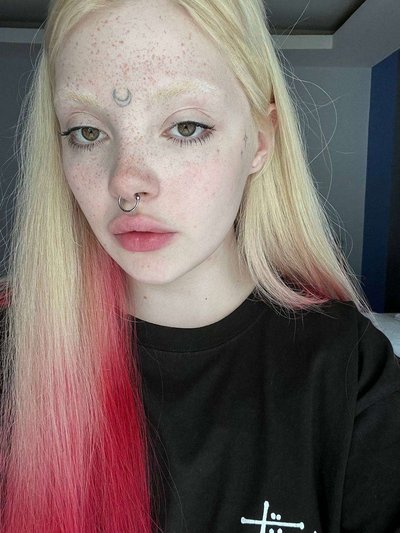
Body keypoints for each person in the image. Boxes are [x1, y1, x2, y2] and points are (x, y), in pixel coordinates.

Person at [0, 0, 399, 531]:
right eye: (87, 132)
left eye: (186, 126)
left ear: (260, 139)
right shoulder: (13, 353)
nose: (126, 181)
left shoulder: (349, 368)